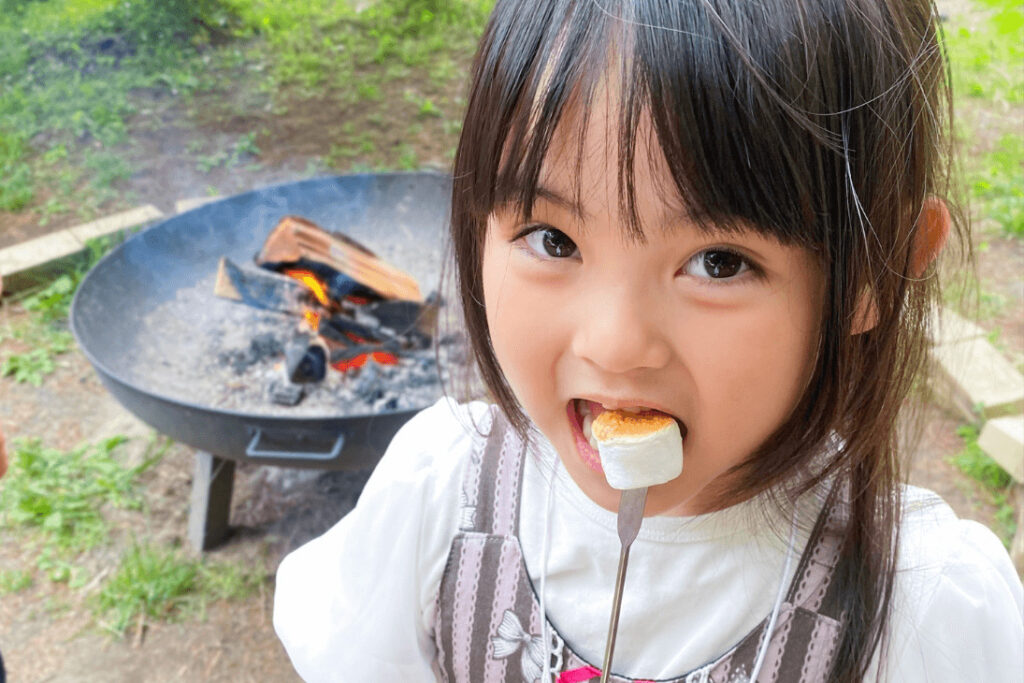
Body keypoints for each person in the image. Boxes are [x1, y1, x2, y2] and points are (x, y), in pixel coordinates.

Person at [273, 1, 1024, 681]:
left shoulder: (920, 615)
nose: (615, 344)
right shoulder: (438, 499)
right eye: (553, 239)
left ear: (874, 270)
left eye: (718, 263)